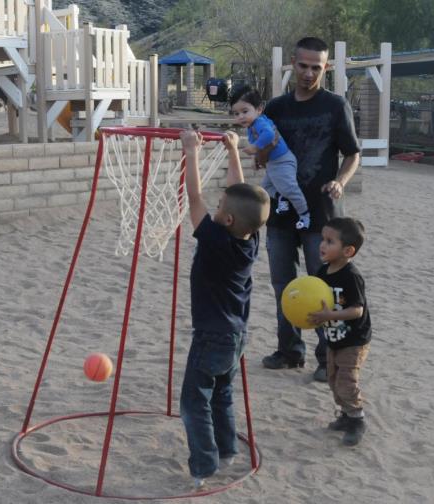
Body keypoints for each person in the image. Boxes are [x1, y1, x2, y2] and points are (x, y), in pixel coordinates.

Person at [259, 36, 361, 383]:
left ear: (326, 68)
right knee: (282, 284)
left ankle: (326, 358)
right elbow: (262, 156)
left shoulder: (335, 106)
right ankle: (289, 351)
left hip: (322, 214)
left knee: (324, 288)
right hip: (281, 211)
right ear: (293, 63)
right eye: (302, 66)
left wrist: (341, 182)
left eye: (316, 67)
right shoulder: (275, 108)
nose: (308, 73)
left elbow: (352, 153)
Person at [178, 129, 269, 490]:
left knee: (193, 401)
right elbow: (241, 193)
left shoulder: (215, 241)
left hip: (212, 335)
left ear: (227, 220)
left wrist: (191, 152)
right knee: (222, 394)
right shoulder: (250, 237)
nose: (214, 209)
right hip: (236, 336)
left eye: (220, 209)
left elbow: (194, 196)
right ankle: (227, 448)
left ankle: (204, 464)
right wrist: (233, 151)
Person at [307, 217, 371, 446]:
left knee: (346, 380)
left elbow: (356, 310)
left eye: (329, 241)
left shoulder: (351, 276)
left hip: (354, 340)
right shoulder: (323, 271)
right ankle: (346, 415)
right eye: (322, 240)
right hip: (333, 338)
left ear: (348, 250)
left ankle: (357, 419)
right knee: (333, 381)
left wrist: (329, 316)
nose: (322, 245)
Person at [228, 85, 310, 231]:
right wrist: (255, 158)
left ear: (259, 109)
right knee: (266, 187)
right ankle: (282, 198)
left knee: (290, 188)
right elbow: (255, 142)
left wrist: (255, 148)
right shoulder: (251, 127)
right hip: (273, 163)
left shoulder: (260, 122)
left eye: (245, 111)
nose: (240, 116)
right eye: (236, 113)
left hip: (283, 161)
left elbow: (269, 135)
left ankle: (304, 215)